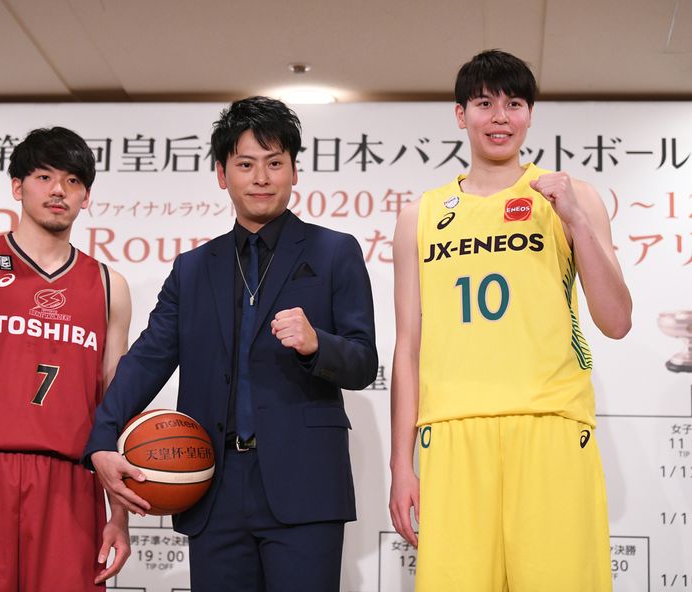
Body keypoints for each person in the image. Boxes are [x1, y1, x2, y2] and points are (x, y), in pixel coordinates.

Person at [84, 96, 378, 591]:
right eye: (245, 164)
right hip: (213, 487)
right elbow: (148, 359)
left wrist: (316, 345)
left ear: (294, 171)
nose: (261, 178)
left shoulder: (334, 251)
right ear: (222, 175)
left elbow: (364, 362)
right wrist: (100, 439)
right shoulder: (194, 269)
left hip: (304, 484)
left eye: (274, 163)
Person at [388, 50, 632, 592]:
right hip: (452, 433)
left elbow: (616, 321)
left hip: (549, 424)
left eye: (514, 104)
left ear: (530, 115)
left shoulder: (573, 197)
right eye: (484, 103)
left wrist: (575, 221)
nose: (500, 117)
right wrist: (400, 465)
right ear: (460, 114)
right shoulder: (419, 216)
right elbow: (408, 348)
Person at [0, 127, 132, 591]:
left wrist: (119, 514)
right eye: (44, 177)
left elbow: (113, 408)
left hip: (70, 481)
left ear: (86, 197)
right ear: (17, 187)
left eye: (73, 181)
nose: (59, 190)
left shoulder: (109, 285)